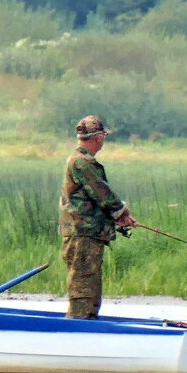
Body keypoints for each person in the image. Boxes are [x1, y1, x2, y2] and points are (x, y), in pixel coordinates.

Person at [58, 115, 136, 319]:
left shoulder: (81, 160)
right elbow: (102, 193)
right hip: (82, 233)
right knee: (83, 288)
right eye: (103, 136)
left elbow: (95, 198)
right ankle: (78, 330)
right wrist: (121, 212)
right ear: (99, 137)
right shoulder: (82, 162)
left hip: (86, 233)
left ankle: (87, 326)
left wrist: (118, 217)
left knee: (90, 286)